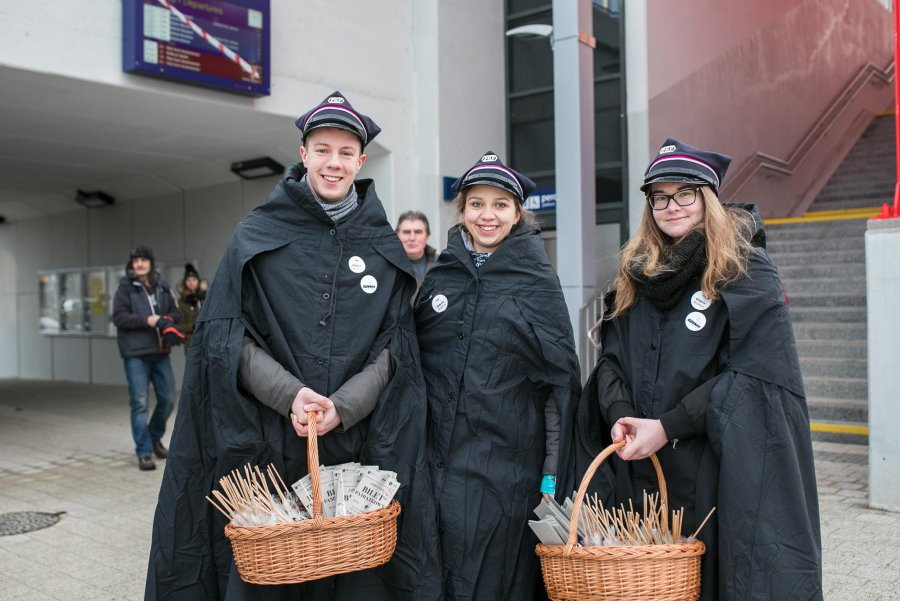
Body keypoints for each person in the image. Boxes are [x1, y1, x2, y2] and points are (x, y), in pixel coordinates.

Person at [146, 91, 439, 600]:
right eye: (322, 149)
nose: (334, 162)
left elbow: (398, 348)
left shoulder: (382, 246)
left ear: (361, 161)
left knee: (353, 578)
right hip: (269, 442)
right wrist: (289, 396)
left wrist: (343, 407)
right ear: (303, 154)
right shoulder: (256, 234)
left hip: (355, 445)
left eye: (346, 152)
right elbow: (223, 336)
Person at [577, 139, 822, 600]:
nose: (671, 206)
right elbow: (611, 361)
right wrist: (622, 416)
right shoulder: (635, 275)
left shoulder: (745, 269)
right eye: (659, 196)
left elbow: (754, 377)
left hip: (714, 471)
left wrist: (667, 426)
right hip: (640, 472)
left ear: (707, 197)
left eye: (684, 193)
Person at [414, 151, 581, 600]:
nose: (487, 215)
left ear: (517, 212)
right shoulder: (441, 276)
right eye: (477, 204)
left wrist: (551, 475)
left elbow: (558, 388)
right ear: (462, 210)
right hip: (436, 465)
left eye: (500, 204)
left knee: (493, 580)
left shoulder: (537, 280)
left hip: (506, 471)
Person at [112, 245, 183, 471]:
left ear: (151, 263)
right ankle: (144, 452)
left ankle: (153, 437)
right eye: (136, 260)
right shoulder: (125, 288)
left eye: (143, 259)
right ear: (132, 264)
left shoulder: (162, 286)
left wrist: (165, 320)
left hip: (160, 352)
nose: (140, 263)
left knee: (168, 398)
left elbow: (176, 312)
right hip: (135, 354)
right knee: (140, 403)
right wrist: (148, 321)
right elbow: (119, 317)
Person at [395, 210, 436, 285]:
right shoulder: (387, 266)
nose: (412, 238)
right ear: (397, 236)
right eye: (406, 232)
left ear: (427, 237)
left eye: (418, 232)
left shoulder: (442, 263)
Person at [175, 262, 207, 352]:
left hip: (208, 341)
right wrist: (193, 326)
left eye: (194, 279)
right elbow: (179, 325)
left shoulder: (206, 299)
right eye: (188, 280)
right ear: (184, 283)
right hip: (191, 343)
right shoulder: (180, 303)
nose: (191, 283)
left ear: (198, 281)